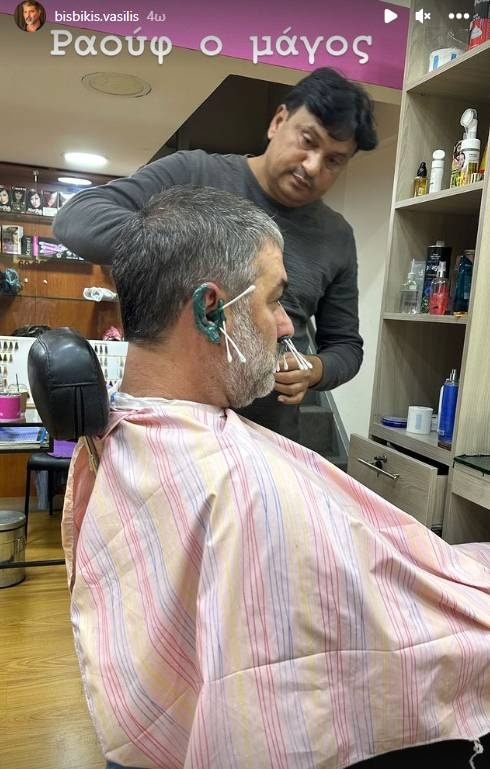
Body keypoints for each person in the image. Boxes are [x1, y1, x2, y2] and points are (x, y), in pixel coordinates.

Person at [62, 186, 490, 769]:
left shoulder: (128, 431)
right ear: (210, 311)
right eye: (275, 299)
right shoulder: (237, 487)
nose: (287, 325)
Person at [54, 67, 378, 442]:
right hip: (166, 429)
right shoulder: (192, 173)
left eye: (334, 160)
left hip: (267, 436)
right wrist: (195, 252)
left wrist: (315, 369)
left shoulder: (336, 236)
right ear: (278, 121)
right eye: (308, 141)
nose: (313, 166)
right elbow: (77, 218)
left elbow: (346, 347)